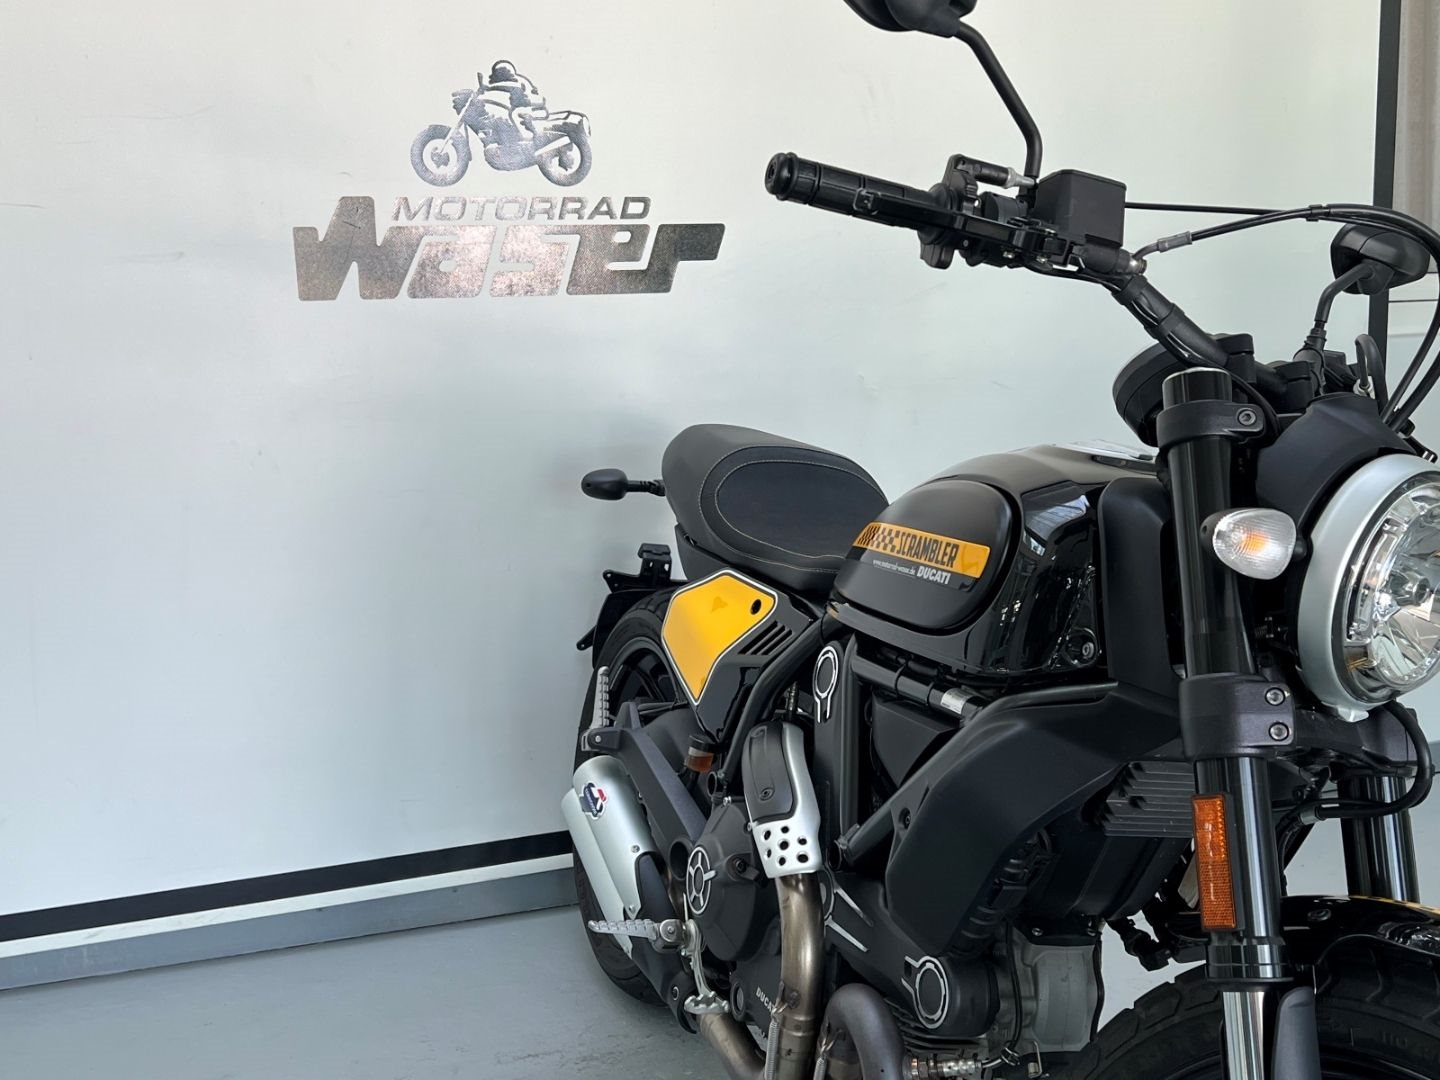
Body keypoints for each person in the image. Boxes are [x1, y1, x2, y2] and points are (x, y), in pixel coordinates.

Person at [487, 60, 546, 141]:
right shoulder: (513, 85)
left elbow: (532, 98)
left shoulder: (518, 84)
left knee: (520, 116)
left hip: (526, 108)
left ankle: (533, 135)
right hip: (519, 107)